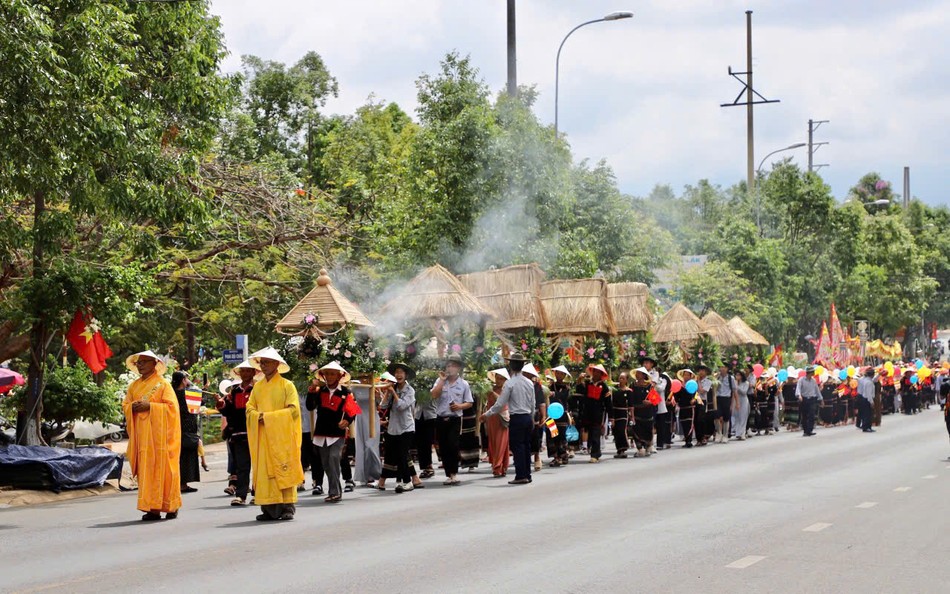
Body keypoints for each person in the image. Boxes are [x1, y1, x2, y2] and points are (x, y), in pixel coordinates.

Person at [246, 347, 304, 521]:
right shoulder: (257, 387)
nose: (263, 366)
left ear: (277, 364)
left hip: (282, 437)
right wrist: (258, 417)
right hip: (264, 436)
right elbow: (250, 408)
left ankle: (287, 507)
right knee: (265, 470)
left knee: (283, 467)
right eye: (261, 362)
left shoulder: (287, 385)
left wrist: (268, 418)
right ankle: (269, 508)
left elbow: (293, 410)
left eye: (267, 362)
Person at [122, 351, 181, 521]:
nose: (139, 365)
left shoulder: (163, 385)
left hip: (161, 439)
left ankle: (171, 506)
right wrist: (132, 407)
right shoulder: (133, 386)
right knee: (147, 471)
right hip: (143, 438)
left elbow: (172, 409)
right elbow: (126, 405)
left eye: (143, 362)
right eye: (138, 363)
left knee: (167, 471)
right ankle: (152, 509)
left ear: (155, 363)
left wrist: (151, 406)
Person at [307, 361, 357, 503]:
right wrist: (311, 392)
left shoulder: (346, 392)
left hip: (337, 433)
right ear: (323, 375)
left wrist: (347, 420)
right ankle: (333, 490)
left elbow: (352, 410)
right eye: (327, 373)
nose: (329, 376)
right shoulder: (319, 391)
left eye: (332, 373)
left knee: (334, 458)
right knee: (326, 464)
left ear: (339, 375)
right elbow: (310, 407)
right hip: (321, 432)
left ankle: (335, 492)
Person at [482, 352, 535, 484]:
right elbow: (533, 403)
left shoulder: (510, 383)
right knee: (526, 447)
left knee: (518, 447)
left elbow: (500, 403)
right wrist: (532, 417)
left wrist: (486, 414)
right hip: (527, 417)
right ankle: (527, 474)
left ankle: (521, 475)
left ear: (511, 366)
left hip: (517, 418)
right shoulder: (529, 382)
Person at [216, 360, 258, 506]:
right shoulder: (234, 392)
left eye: (248, 370)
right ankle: (241, 495)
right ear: (239, 373)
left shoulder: (258, 390)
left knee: (259, 465)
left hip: (256, 433)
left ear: (254, 372)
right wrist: (221, 405)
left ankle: (258, 493)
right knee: (242, 466)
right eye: (243, 371)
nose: (245, 373)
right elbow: (228, 412)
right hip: (239, 434)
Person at [378, 363, 424, 493]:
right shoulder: (394, 388)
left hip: (406, 427)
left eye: (401, 373)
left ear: (406, 375)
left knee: (403, 454)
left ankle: (407, 481)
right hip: (393, 428)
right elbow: (383, 406)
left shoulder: (410, 390)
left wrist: (394, 393)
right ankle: (408, 479)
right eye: (396, 372)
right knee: (394, 454)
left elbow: (402, 406)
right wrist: (388, 392)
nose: (398, 375)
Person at [431, 353, 474, 486]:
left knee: (453, 445)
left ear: (459, 368)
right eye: (448, 365)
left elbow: (469, 402)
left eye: (453, 366)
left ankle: (454, 473)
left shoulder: (464, 384)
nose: (450, 368)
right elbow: (433, 395)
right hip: (440, 417)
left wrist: (459, 406)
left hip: (455, 419)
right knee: (443, 447)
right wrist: (442, 381)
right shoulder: (440, 381)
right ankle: (448, 474)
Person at [171, 371, 201, 493]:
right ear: (183, 380)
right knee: (187, 458)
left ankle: (179, 483)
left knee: (178, 457)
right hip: (187, 428)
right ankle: (183, 484)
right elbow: (200, 402)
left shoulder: (171, 394)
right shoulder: (188, 393)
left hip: (174, 427)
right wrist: (193, 384)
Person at [578, 364, 610, 463]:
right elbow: (580, 391)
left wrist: (611, 417)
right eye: (594, 371)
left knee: (596, 432)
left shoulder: (604, 386)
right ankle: (595, 450)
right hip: (587, 412)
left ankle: (594, 454)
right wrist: (579, 380)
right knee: (590, 433)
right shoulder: (588, 383)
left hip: (598, 413)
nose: (595, 374)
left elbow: (608, 403)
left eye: (598, 372)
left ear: (601, 374)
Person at [484, 368, 511, 477]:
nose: (498, 380)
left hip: (502, 418)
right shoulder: (490, 389)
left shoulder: (507, 389)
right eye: (497, 378)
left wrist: (492, 393)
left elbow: (501, 402)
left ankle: (498, 466)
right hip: (492, 418)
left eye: (501, 378)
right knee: (493, 442)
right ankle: (498, 465)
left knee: (501, 442)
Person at [546, 366, 572, 466]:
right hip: (551, 415)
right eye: (558, 373)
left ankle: (562, 455)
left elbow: (564, 397)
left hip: (561, 414)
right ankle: (556, 456)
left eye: (562, 373)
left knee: (561, 436)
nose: (559, 375)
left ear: (564, 375)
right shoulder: (550, 386)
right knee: (553, 435)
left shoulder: (567, 387)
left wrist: (554, 394)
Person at [630, 368, 656, 457]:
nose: (637, 375)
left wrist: (649, 402)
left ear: (644, 375)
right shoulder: (632, 385)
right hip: (636, 412)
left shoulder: (650, 386)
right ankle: (640, 449)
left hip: (647, 412)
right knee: (636, 430)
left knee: (647, 430)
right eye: (637, 373)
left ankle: (648, 447)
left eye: (640, 373)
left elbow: (655, 400)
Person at [609, 373, 633, 458]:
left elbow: (631, 405)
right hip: (614, 412)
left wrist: (632, 417)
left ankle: (624, 448)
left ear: (626, 380)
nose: (621, 380)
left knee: (621, 430)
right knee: (615, 431)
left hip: (623, 413)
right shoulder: (614, 389)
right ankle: (619, 450)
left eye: (623, 378)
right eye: (620, 378)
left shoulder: (629, 391)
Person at [674, 369, 697, 448]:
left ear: (691, 376)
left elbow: (696, 395)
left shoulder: (693, 384)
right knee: (684, 424)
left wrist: (694, 400)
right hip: (682, 407)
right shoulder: (680, 386)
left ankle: (689, 441)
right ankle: (686, 439)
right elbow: (676, 396)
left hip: (690, 407)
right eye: (685, 375)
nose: (686, 376)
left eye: (688, 375)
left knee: (689, 423)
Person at [797, 365, 822, 437]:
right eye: (812, 372)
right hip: (804, 399)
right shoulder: (801, 380)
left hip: (812, 399)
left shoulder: (813, 381)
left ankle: (810, 430)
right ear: (809, 373)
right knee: (804, 415)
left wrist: (821, 399)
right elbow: (798, 389)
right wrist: (799, 395)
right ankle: (805, 430)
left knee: (812, 415)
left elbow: (817, 390)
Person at [715, 364, 736, 444]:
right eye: (721, 367)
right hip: (718, 398)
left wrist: (732, 403)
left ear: (727, 369)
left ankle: (725, 435)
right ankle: (719, 433)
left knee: (726, 418)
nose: (722, 369)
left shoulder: (731, 378)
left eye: (724, 367)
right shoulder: (717, 377)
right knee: (716, 415)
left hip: (727, 398)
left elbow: (734, 391)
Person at [694, 365, 713, 446]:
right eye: (700, 370)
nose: (701, 372)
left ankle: (703, 437)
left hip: (702, 401)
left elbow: (702, 391)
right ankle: (698, 438)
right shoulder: (694, 381)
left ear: (706, 372)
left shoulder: (708, 381)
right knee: (695, 420)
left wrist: (698, 381)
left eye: (703, 370)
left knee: (701, 419)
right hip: (695, 401)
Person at [856, 367, 876, 433]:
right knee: (867, 414)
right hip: (867, 399)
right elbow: (869, 394)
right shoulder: (868, 382)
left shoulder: (864, 380)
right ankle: (866, 427)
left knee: (865, 413)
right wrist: (871, 402)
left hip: (863, 398)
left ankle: (867, 426)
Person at [732, 370, 751, 440]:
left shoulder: (746, 383)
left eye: (739, 375)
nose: (737, 377)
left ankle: (742, 433)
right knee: (737, 417)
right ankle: (738, 433)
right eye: (736, 375)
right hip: (736, 400)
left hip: (743, 401)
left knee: (743, 417)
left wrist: (737, 387)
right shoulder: (734, 383)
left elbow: (744, 392)